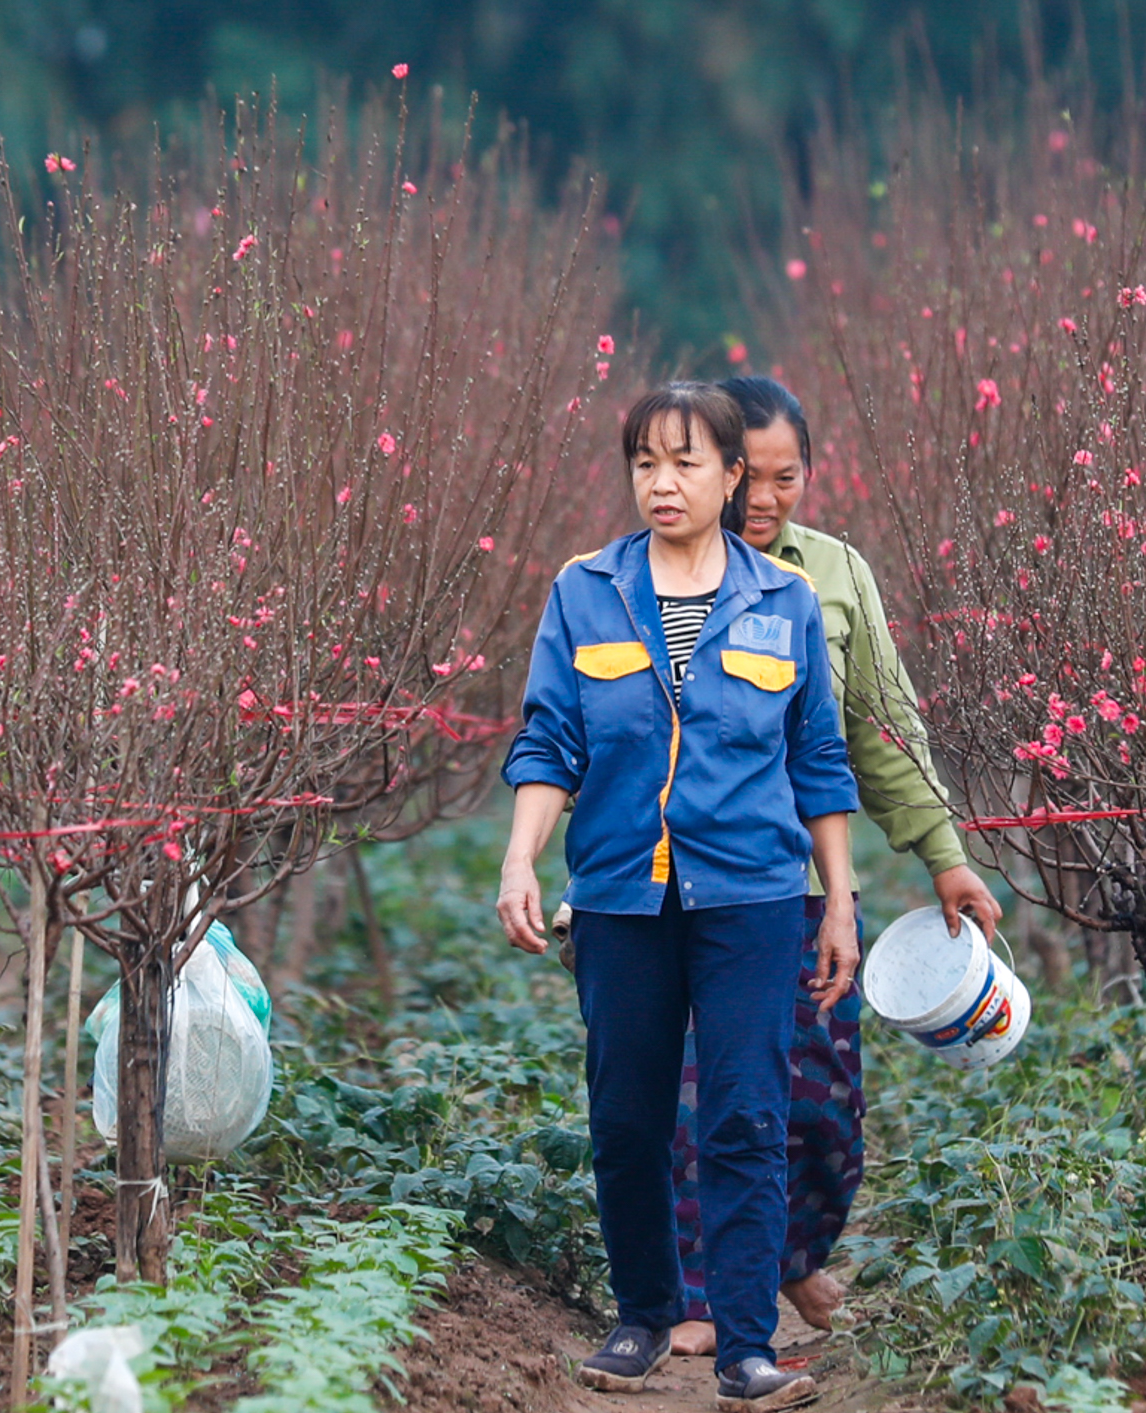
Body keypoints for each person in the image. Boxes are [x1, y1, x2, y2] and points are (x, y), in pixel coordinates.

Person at [498, 382, 861, 1411]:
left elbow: (818, 761)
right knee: (625, 1116)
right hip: (618, 895)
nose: (662, 482)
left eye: (686, 462)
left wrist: (835, 902)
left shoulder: (780, 602)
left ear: (731, 476)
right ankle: (644, 1314)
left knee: (745, 1117)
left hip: (749, 897)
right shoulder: (585, 592)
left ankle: (747, 1342)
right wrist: (520, 860)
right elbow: (548, 740)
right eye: (645, 463)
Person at [665, 376, 1004, 1357]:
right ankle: (699, 1296)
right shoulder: (655, 577)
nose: (763, 501)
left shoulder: (835, 576)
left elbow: (880, 727)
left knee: (822, 1104)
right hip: (689, 885)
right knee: (705, 1097)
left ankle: (791, 1252)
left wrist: (943, 858)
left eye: (786, 478)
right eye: (745, 480)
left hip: (810, 887)